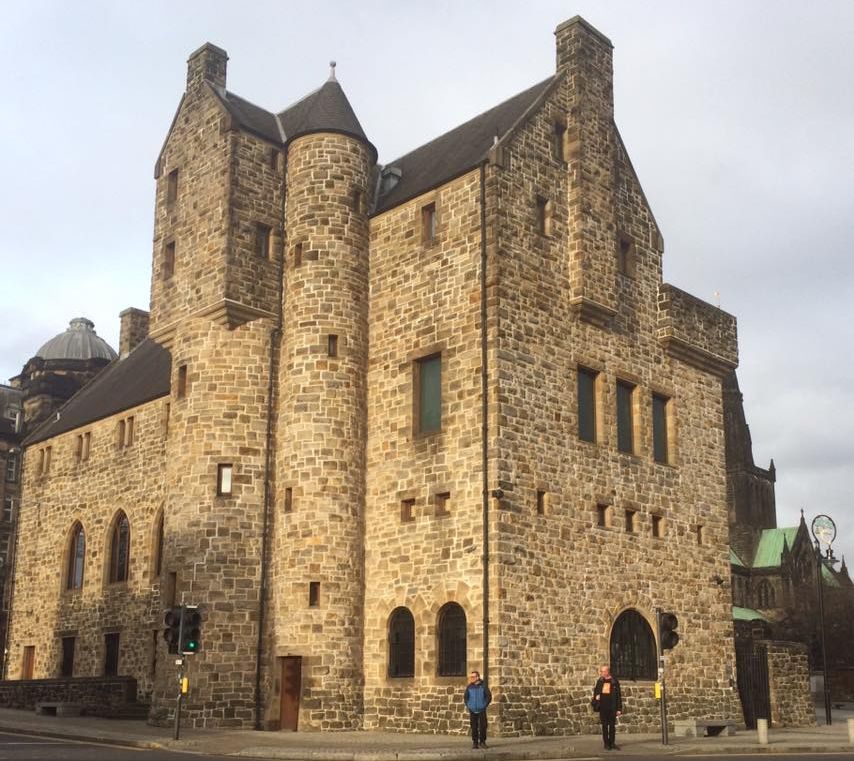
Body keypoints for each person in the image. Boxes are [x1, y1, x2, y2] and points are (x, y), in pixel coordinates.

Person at [592, 664, 622, 750]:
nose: (603, 673)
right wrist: (596, 698)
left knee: (612, 726)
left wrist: (619, 709)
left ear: (608, 671)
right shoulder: (600, 681)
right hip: (603, 707)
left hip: (612, 707)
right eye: (602, 671)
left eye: (604, 671)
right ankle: (606, 743)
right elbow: (596, 692)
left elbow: (618, 696)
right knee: (605, 726)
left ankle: (612, 743)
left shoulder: (614, 681)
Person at [464, 670, 492, 749]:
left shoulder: (483, 686)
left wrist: (484, 705)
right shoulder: (469, 687)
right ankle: (475, 743)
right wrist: (469, 705)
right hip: (472, 710)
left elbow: (488, 696)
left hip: (481, 710)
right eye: (471, 677)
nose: (471, 678)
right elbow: (466, 697)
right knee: (474, 727)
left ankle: (482, 742)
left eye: (473, 677)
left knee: (483, 726)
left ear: (478, 677)